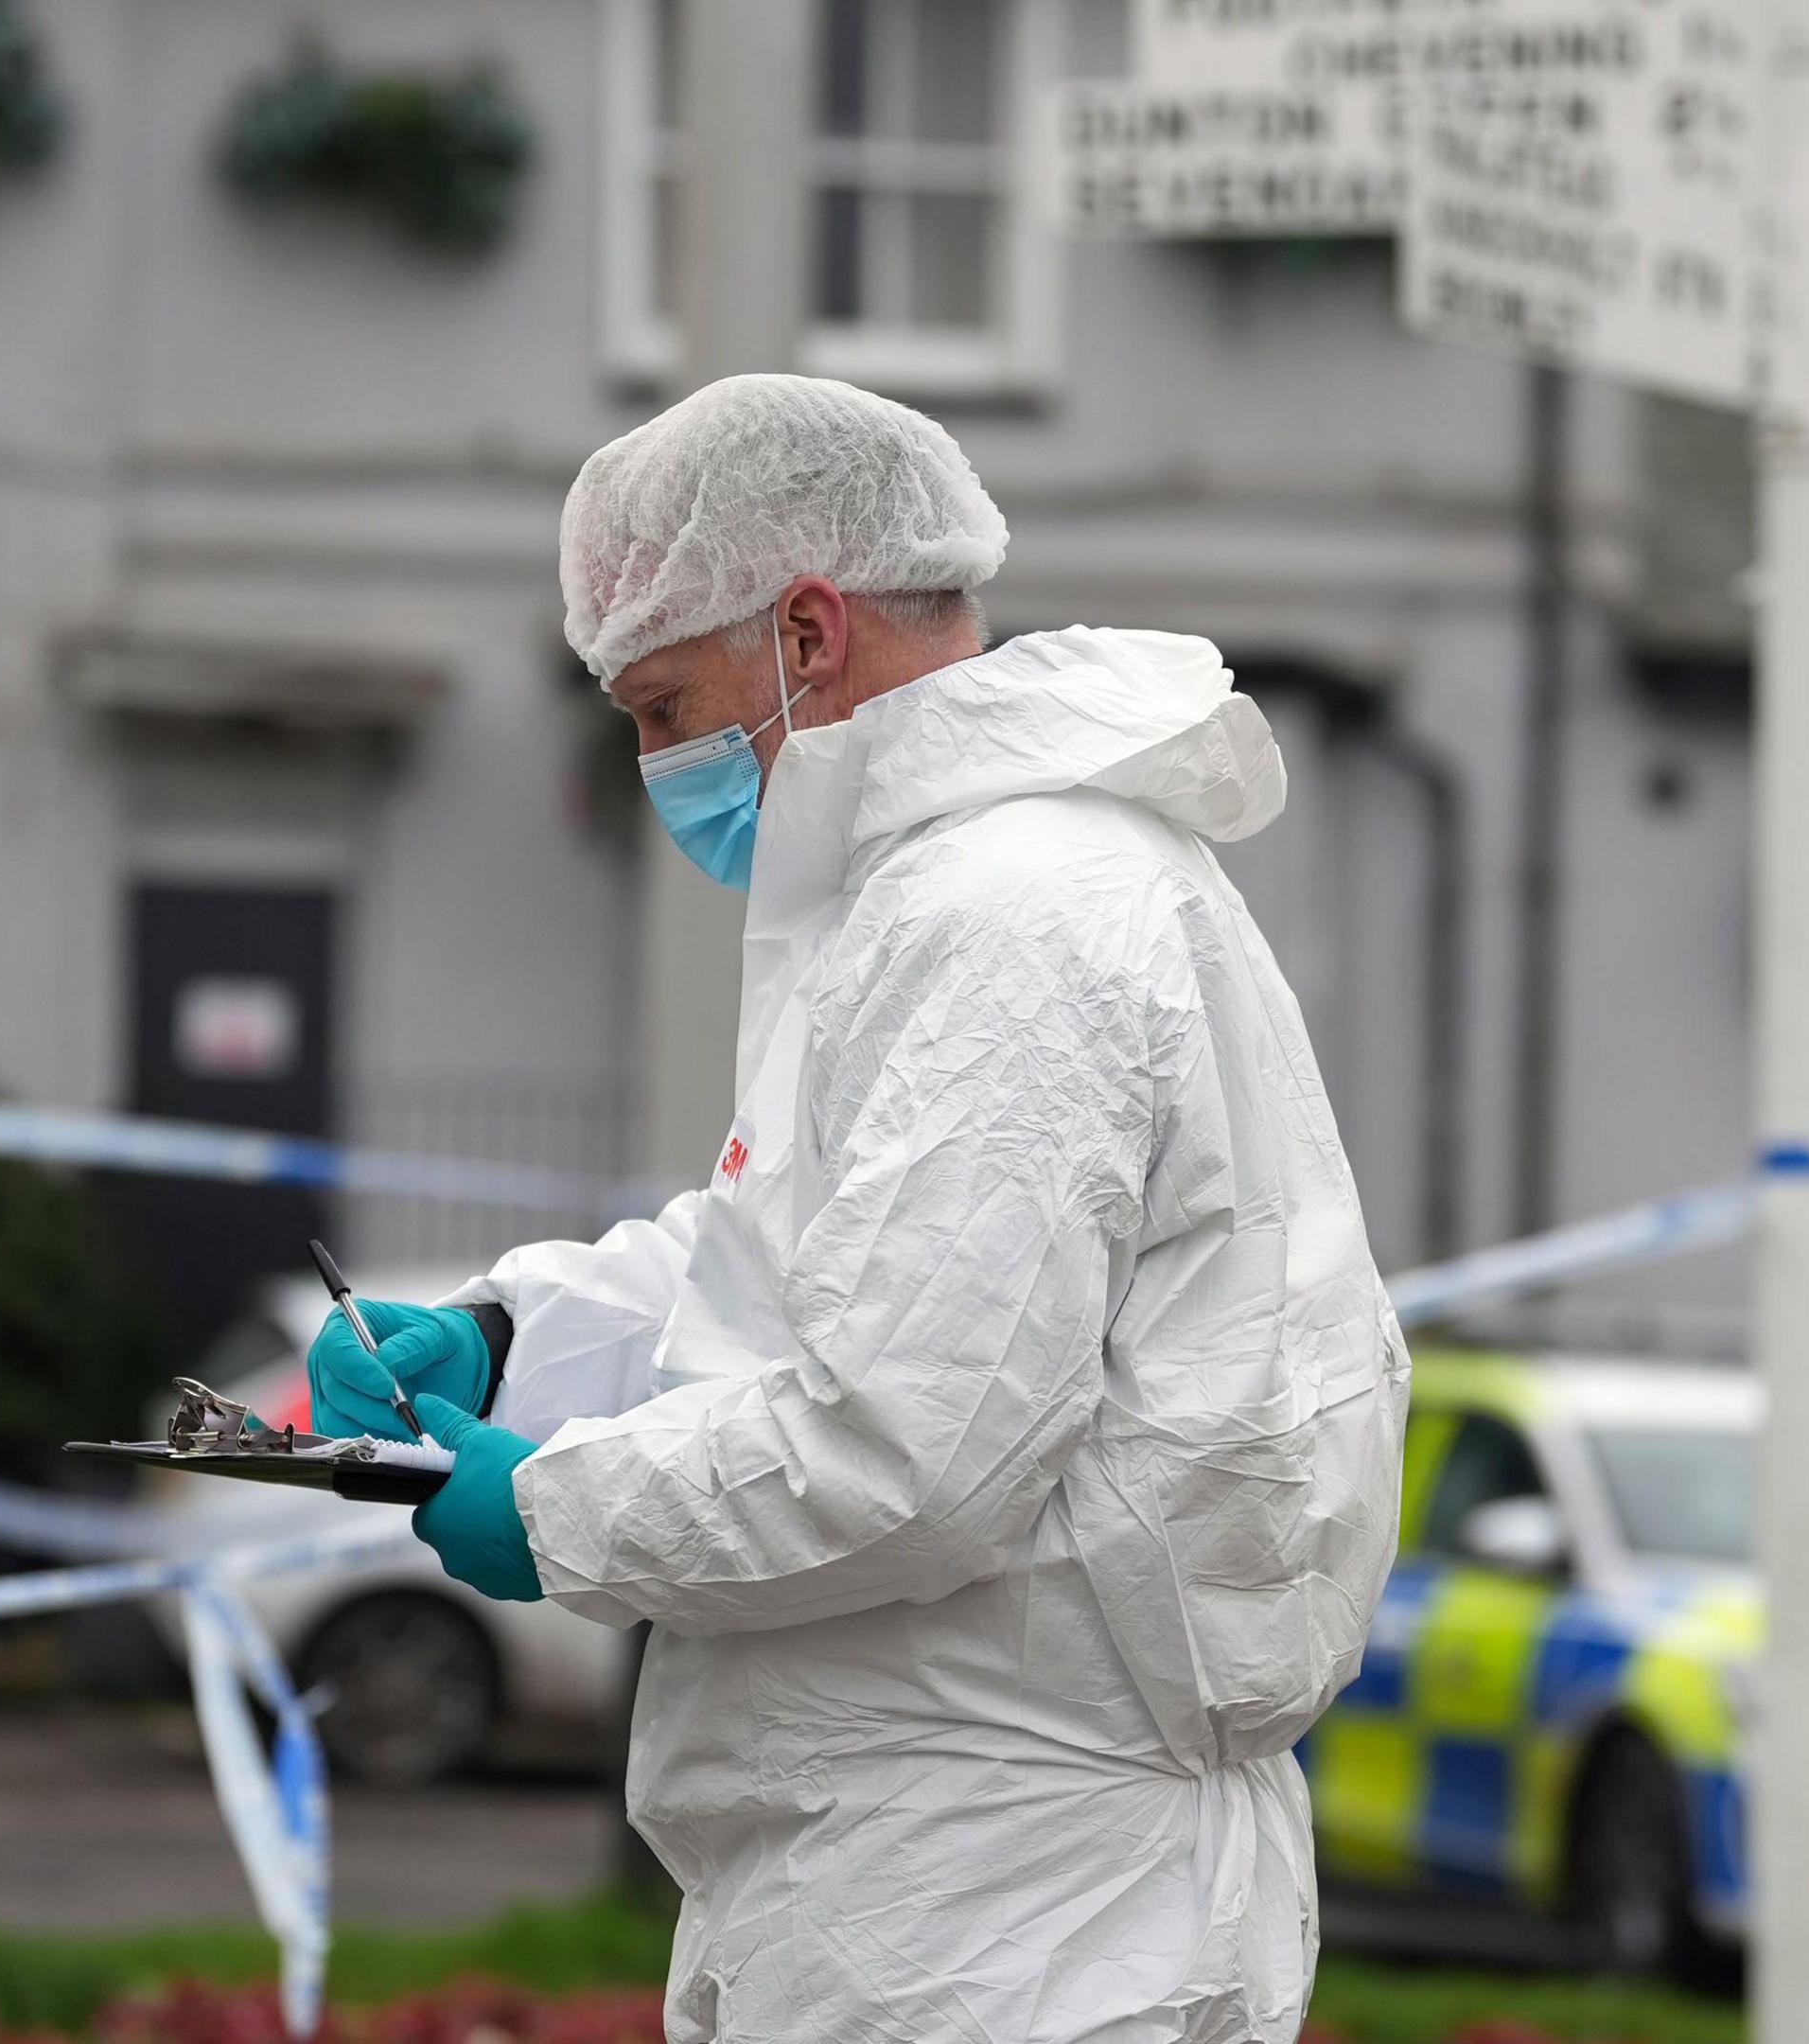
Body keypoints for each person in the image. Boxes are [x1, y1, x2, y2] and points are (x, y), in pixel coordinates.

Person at [306, 374, 1409, 2044]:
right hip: (944, 1866)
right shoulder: (947, 897)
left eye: (667, 706)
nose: (655, 763)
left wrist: (555, 1510)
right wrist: (512, 1337)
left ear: (806, 635)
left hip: (1000, 1904)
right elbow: (805, 1262)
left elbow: (907, 1449)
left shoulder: (1011, 921)